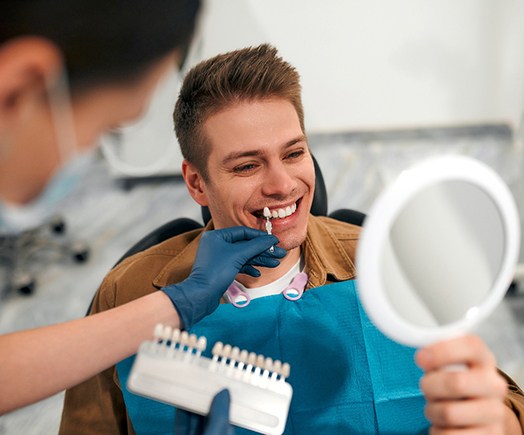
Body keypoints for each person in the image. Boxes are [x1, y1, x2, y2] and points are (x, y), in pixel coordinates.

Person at [59, 44, 524, 433]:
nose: (283, 185)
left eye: (294, 152)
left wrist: (496, 422)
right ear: (197, 182)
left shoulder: (391, 263)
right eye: (246, 165)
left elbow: (499, 401)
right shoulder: (129, 295)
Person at [0, 1, 285, 417]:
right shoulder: (124, 286)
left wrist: (178, 304)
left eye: (295, 153)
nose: (280, 185)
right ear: (17, 92)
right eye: (105, 128)